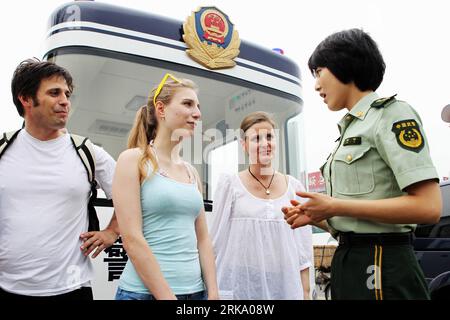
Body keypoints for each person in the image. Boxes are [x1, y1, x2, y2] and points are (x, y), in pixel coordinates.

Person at [282, 29, 442, 300]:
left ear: (345, 63)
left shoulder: (391, 115)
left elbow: (428, 206)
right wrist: (323, 217)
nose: (316, 85)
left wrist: (335, 205)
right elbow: (363, 215)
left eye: (319, 71)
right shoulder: (348, 129)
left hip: (381, 263)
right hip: (349, 261)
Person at [0, 59, 119, 300]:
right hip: (7, 286)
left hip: (72, 288)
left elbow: (134, 197)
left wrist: (112, 231)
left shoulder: (87, 152)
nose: (65, 101)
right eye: (54, 93)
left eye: (67, 93)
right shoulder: (3, 149)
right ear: (26, 99)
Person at [113, 73, 219, 300]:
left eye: (198, 106)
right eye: (187, 104)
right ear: (161, 109)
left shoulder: (191, 172)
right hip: (144, 294)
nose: (197, 113)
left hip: (195, 293)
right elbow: (132, 238)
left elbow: (203, 239)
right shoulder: (133, 160)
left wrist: (213, 291)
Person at [210, 111, 313, 300]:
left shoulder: (294, 188)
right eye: (256, 138)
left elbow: (303, 250)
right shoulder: (230, 186)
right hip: (241, 285)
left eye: (269, 137)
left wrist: (305, 292)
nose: (265, 144)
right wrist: (212, 290)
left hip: (284, 286)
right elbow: (215, 243)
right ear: (244, 145)